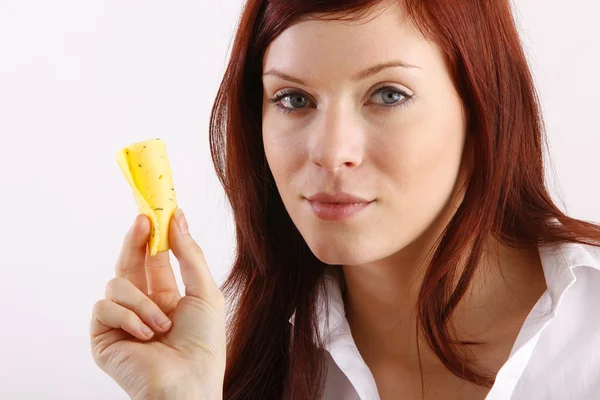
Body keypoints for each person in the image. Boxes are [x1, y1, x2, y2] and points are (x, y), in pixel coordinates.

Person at [90, 1, 600, 399]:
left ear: (482, 105)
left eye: (388, 94)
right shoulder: (253, 359)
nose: (331, 153)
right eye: (293, 99)